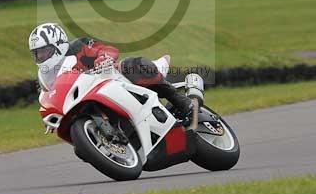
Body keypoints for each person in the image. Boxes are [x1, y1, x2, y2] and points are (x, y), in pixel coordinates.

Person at [28, 22, 194, 120]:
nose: (41, 56)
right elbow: (49, 96)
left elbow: (107, 49)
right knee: (80, 151)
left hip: (114, 82)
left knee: (131, 64)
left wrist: (103, 58)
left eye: (44, 51)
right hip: (88, 102)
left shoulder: (78, 47)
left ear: (58, 44)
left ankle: (179, 99)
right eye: (37, 54)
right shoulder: (45, 76)